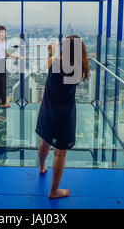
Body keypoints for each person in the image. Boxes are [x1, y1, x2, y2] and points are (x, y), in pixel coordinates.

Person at [35, 36, 90, 199]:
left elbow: (51, 62)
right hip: (64, 114)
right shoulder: (81, 69)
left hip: (48, 110)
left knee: (44, 142)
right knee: (60, 153)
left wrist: (53, 49)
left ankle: (41, 167)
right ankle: (53, 191)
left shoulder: (53, 61)